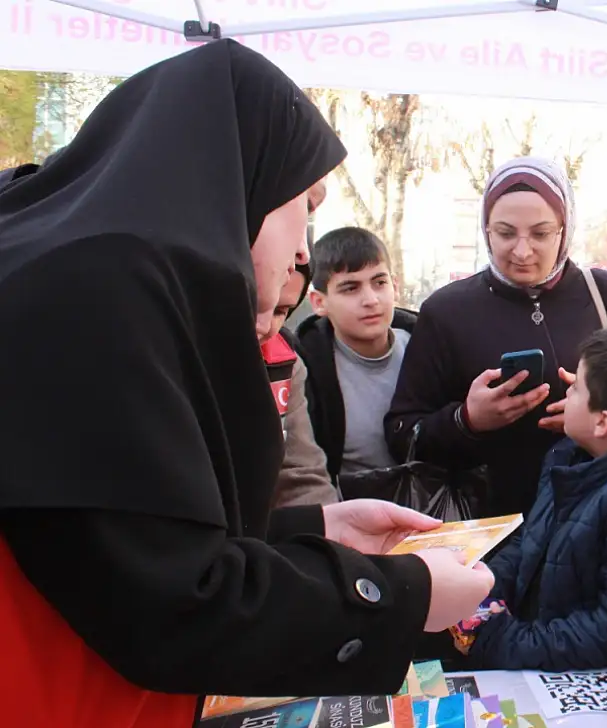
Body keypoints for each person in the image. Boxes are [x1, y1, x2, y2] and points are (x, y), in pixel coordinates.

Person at [0, 40, 493, 726]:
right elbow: (173, 604)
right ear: (236, 182)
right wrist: (402, 595)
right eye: (303, 206)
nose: (302, 250)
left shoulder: (82, 271)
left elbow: (124, 540)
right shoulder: (97, 290)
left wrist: (314, 528)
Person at [387, 157, 607, 519]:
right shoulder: (446, 311)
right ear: (486, 230)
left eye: (541, 234)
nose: (523, 251)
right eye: (506, 233)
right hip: (487, 526)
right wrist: (468, 420)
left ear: (564, 229)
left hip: (600, 518)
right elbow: (402, 434)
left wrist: (602, 415)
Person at [461, 326, 607, 671]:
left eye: (577, 388)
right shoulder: (570, 459)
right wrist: (478, 592)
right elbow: (530, 545)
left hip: (571, 674)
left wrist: (503, 640)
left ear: (602, 422)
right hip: (534, 650)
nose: (567, 390)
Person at [297, 227, 418, 484]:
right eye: (350, 288)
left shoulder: (426, 348)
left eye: (380, 283)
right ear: (319, 302)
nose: (371, 300)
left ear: (395, 286)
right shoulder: (305, 370)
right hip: (348, 504)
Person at [267, 260, 339, 508]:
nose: (265, 326)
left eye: (280, 311)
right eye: (249, 304)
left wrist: (329, 523)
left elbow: (301, 479)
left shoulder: (285, 364)